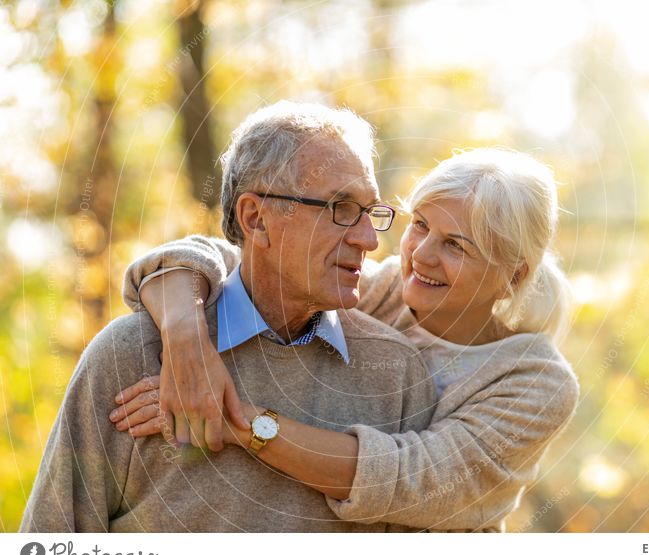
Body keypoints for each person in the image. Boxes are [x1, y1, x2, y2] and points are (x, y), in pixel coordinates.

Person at [20, 101, 437, 532]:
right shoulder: (131, 356)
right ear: (256, 219)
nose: (369, 239)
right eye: (340, 208)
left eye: (371, 212)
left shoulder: (397, 376)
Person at [114, 146, 580, 531]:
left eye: (456, 245)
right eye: (420, 225)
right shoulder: (384, 292)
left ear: (513, 277)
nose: (421, 255)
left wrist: (232, 418)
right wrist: (186, 340)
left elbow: (410, 480)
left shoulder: (536, 382)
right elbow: (209, 259)